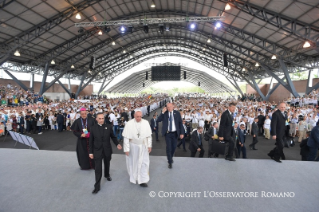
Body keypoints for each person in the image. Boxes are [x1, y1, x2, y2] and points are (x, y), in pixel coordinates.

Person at [89, 113, 122, 194]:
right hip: (97, 151)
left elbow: (113, 137)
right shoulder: (92, 128)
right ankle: (97, 186)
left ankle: (107, 175)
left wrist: (117, 144)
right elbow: (90, 141)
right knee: (98, 169)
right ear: (96, 119)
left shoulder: (109, 127)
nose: (101, 120)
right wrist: (90, 152)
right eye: (99, 118)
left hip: (107, 150)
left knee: (107, 164)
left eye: (102, 118)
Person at [122, 110, 152, 187]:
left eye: (140, 116)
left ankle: (143, 180)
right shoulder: (129, 124)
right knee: (133, 163)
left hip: (143, 146)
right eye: (137, 116)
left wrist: (149, 145)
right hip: (133, 146)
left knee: (144, 163)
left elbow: (148, 136)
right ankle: (134, 177)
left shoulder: (145, 122)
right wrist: (126, 149)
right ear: (134, 116)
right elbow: (126, 138)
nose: (139, 118)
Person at [157, 103, 184, 169]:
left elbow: (180, 123)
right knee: (169, 148)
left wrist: (182, 133)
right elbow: (158, 120)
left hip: (175, 133)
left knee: (174, 147)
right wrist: (162, 112)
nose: (169, 108)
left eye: (170, 107)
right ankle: (170, 161)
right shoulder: (165, 113)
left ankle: (170, 157)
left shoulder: (177, 113)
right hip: (168, 133)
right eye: (167, 107)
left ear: (173, 107)